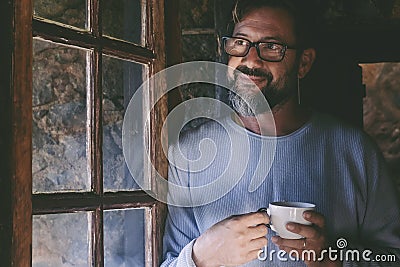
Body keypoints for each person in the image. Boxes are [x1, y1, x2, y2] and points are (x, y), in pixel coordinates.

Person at [160, 0, 400, 266]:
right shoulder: (190, 152)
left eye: (271, 46)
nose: (250, 60)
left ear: (303, 63)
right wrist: (202, 256)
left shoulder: (355, 151)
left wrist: (333, 259)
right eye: (240, 43)